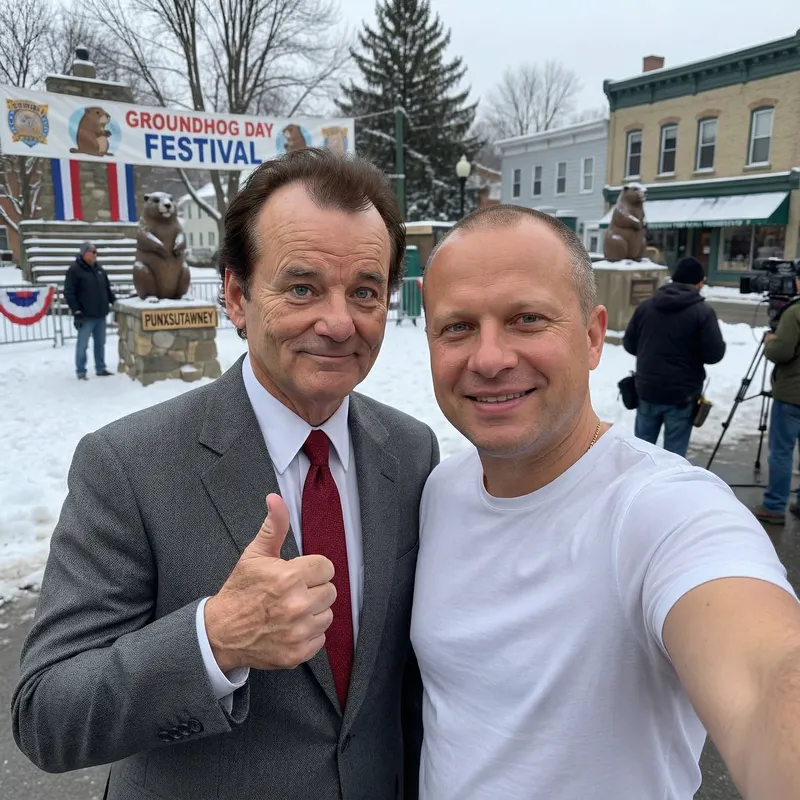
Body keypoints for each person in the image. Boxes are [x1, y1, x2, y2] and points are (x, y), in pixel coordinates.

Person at [13, 148, 439, 800]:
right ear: (237, 297)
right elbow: (46, 714)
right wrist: (214, 639)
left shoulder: (411, 454)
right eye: (301, 287)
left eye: (364, 291)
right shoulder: (127, 465)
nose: (338, 321)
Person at [412, 204, 800, 799]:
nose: (489, 358)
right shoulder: (439, 491)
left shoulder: (661, 511)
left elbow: (765, 674)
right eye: (457, 327)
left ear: (593, 338)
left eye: (527, 319)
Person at [622, 256, 726, 457]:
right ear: (699, 283)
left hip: (647, 389)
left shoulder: (646, 307)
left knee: (642, 453)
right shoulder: (702, 312)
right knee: (674, 456)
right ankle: (669, 487)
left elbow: (629, 344)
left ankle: (639, 486)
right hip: (682, 395)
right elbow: (714, 354)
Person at [751, 272, 800, 524]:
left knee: (781, 451)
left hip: (792, 394)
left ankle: (774, 506)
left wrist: (771, 341)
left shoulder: (794, 313)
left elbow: (781, 352)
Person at [63, 241, 117, 380]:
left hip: (100, 314)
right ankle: (81, 371)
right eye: (91, 251)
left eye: (96, 252)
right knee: (82, 345)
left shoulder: (100, 270)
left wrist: (115, 302)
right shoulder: (74, 270)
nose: (94, 254)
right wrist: (76, 311)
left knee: (100, 344)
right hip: (85, 316)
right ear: (83, 253)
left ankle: (101, 368)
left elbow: (107, 289)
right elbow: (69, 292)